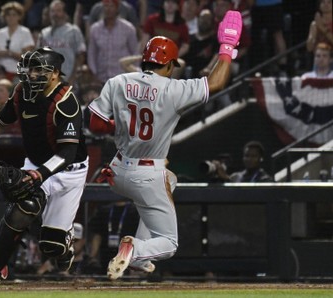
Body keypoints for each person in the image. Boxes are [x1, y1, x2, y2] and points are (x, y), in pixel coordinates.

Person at [88, 8, 242, 280]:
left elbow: (96, 125)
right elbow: (216, 82)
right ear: (168, 64)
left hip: (118, 170)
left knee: (170, 179)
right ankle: (134, 251)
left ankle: (137, 259)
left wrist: (119, 125)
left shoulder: (118, 81)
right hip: (146, 174)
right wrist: (227, 47)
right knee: (169, 243)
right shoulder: (173, 89)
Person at [0, 46, 88, 285]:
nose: (31, 75)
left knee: (51, 246)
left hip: (68, 170)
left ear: (55, 73)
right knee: (24, 206)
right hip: (36, 162)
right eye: (29, 69)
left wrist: (39, 173)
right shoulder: (21, 93)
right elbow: (1, 120)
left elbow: (67, 152)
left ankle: (65, 243)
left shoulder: (66, 101)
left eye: (38, 70)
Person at [87, 0, 139, 84]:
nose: (108, 9)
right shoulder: (95, 29)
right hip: (101, 79)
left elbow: (135, 54)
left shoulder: (128, 28)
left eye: (111, 6)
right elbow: (92, 54)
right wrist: (94, 74)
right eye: (106, 6)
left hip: (123, 80)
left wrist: (134, 76)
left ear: (117, 8)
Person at [37, 0, 86, 85]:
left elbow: (80, 56)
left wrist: (72, 79)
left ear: (64, 13)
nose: (55, 14)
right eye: (52, 11)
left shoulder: (73, 31)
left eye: (58, 11)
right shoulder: (43, 33)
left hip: (68, 80)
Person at [85, 201, 139, 275]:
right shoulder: (104, 210)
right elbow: (98, 235)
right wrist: (92, 256)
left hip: (127, 254)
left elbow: (138, 237)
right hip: (106, 254)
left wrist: (136, 259)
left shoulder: (134, 211)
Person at [0, 1, 35, 82]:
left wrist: (9, 53)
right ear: (4, 17)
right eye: (8, 15)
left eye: (14, 15)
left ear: (19, 17)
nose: (11, 17)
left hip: (18, 74)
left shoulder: (25, 32)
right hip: (1, 74)